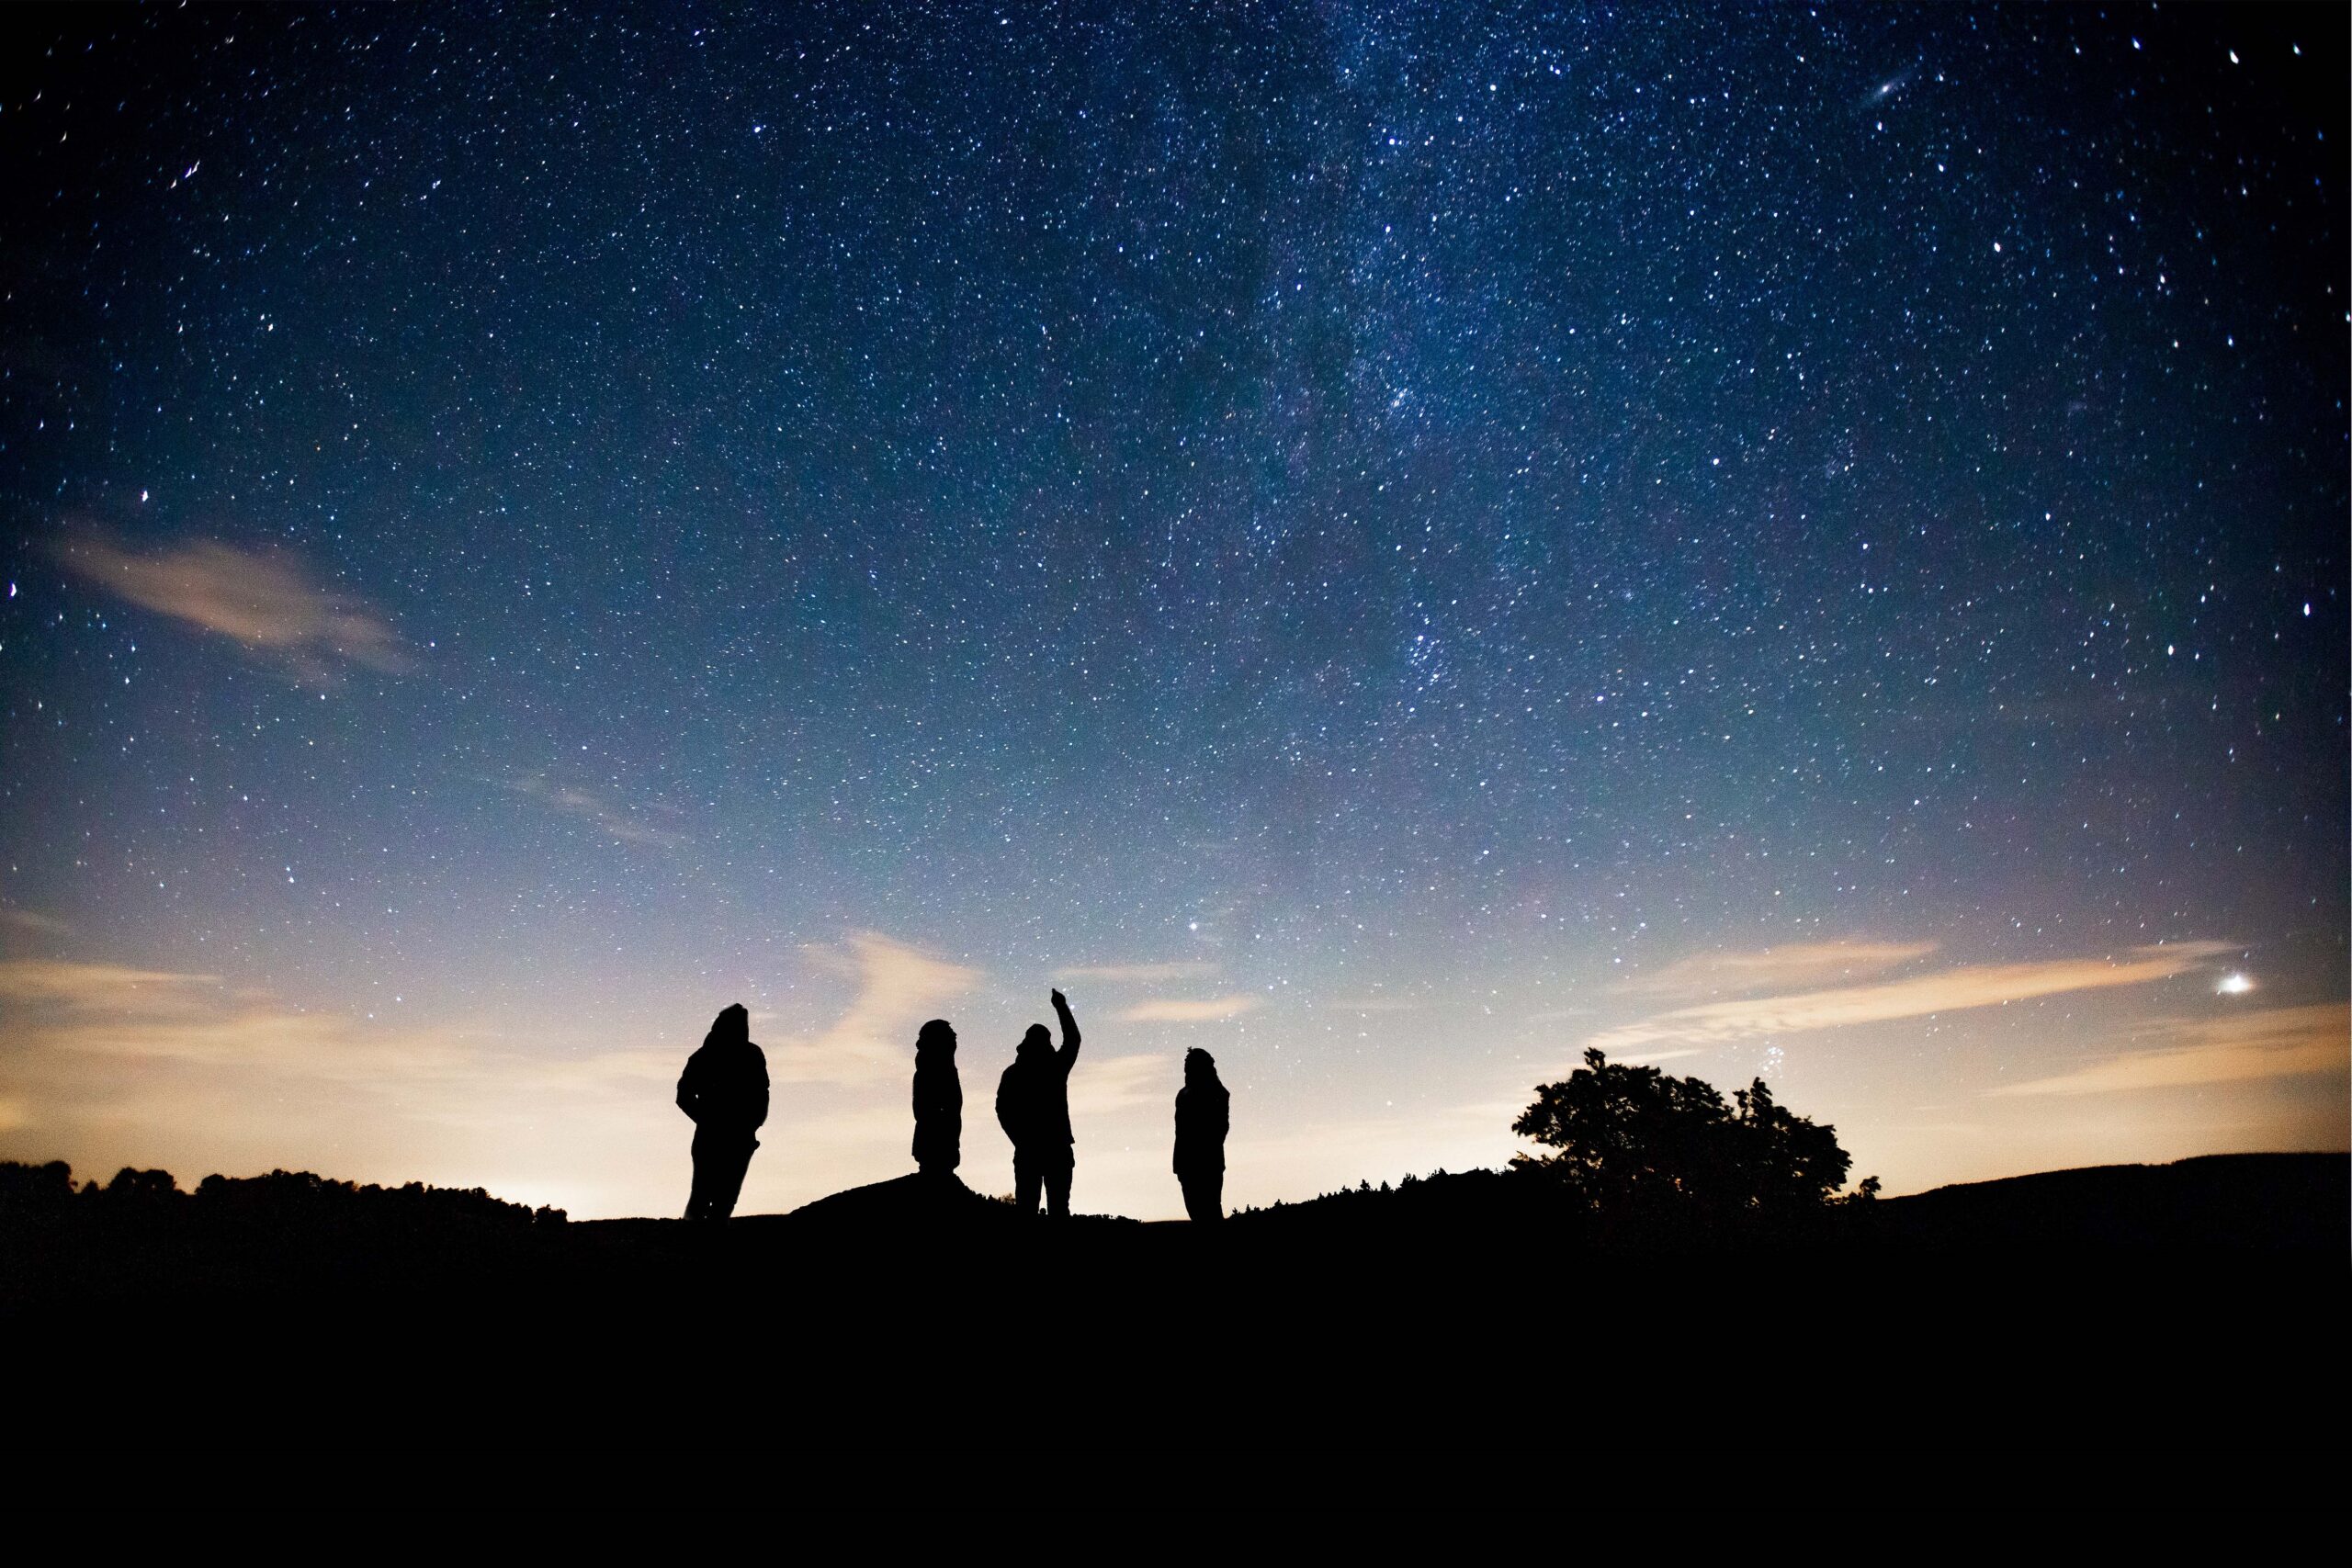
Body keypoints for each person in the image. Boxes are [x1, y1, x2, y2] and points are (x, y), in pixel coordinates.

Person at [675, 1003, 769, 1221]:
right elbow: (684, 1095)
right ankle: (689, 1245)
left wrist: (753, 1123)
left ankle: (710, 1247)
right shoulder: (703, 1057)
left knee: (726, 1198)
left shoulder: (752, 1055)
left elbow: (761, 1092)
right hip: (712, 1137)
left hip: (740, 1137)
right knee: (702, 1194)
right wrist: (707, 1120)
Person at [995, 987, 1081, 1217]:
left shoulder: (1015, 1072)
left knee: (1029, 1209)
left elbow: (1002, 1110)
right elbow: (1073, 1040)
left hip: (1033, 1149)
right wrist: (1061, 1006)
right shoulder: (1055, 1067)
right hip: (1053, 1147)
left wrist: (1019, 1139)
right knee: (1056, 1210)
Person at [1173, 1046, 1230, 1224]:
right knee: (1197, 1213)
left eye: (1190, 1065)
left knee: (1210, 1213)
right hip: (1186, 1164)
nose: (1186, 1069)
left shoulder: (1217, 1093)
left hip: (1207, 1163)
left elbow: (1220, 1129)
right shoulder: (1183, 1094)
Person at [911, 1019, 962, 1178]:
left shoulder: (944, 1066)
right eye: (950, 1036)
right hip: (936, 1141)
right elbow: (926, 1110)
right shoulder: (932, 1068)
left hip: (943, 1139)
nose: (954, 1038)